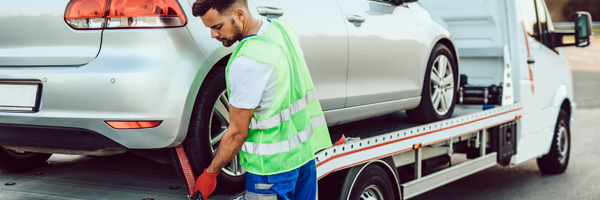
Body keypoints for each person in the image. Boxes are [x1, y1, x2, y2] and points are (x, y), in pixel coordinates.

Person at [190, 0, 333, 199]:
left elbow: (236, 133)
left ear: (239, 14)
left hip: (270, 172)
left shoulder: (247, 61)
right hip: (304, 159)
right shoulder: (283, 30)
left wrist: (210, 173)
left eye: (217, 26)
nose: (214, 34)